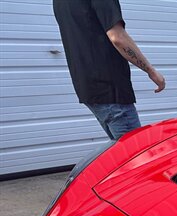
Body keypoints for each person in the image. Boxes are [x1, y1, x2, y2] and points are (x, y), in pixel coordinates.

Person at [53, 0, 166, 140]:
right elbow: (117, 37)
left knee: (121, 151)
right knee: (136, 153)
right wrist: (151, 70)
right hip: (111, 89)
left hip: (88, 87)